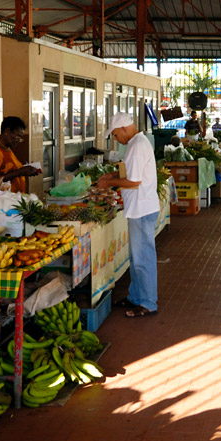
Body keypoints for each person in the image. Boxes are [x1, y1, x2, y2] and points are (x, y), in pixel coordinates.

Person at [98, 113, 160, 318]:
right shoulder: (138, 142)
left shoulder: (135, 146)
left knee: (143, 259)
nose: (116, 139)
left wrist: (108, 182)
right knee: (136, 258)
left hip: (142, 209)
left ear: (124, 128)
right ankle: (135, 296)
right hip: (141, 208)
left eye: (116, 135)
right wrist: (112, 175)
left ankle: (148, 303)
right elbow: (132, 174)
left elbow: (133, 181)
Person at [0, 116, 42, 193]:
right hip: (1, 201)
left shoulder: (7, 149)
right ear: (7, 131)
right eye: (18, 136)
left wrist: (26, 169)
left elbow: (9, 171)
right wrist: (20, 172)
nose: (19, 141)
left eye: (20, 138)